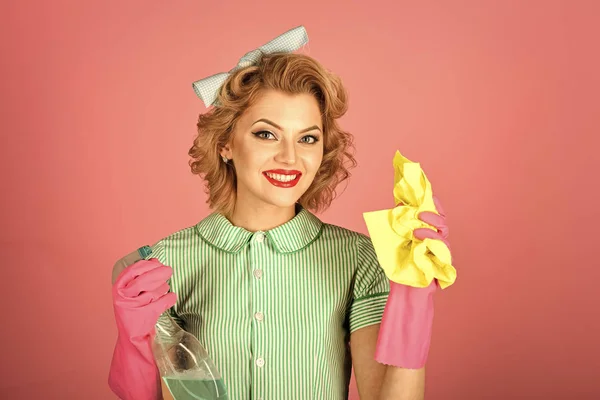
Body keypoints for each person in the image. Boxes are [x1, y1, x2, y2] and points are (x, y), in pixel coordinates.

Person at [108, 26, 452, 400]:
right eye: (266, 134)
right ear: (225, 143)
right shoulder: (164, 266)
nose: (290, 157)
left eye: (307, 138)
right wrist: (134, 343)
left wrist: (412, 307)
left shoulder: (359, 260)